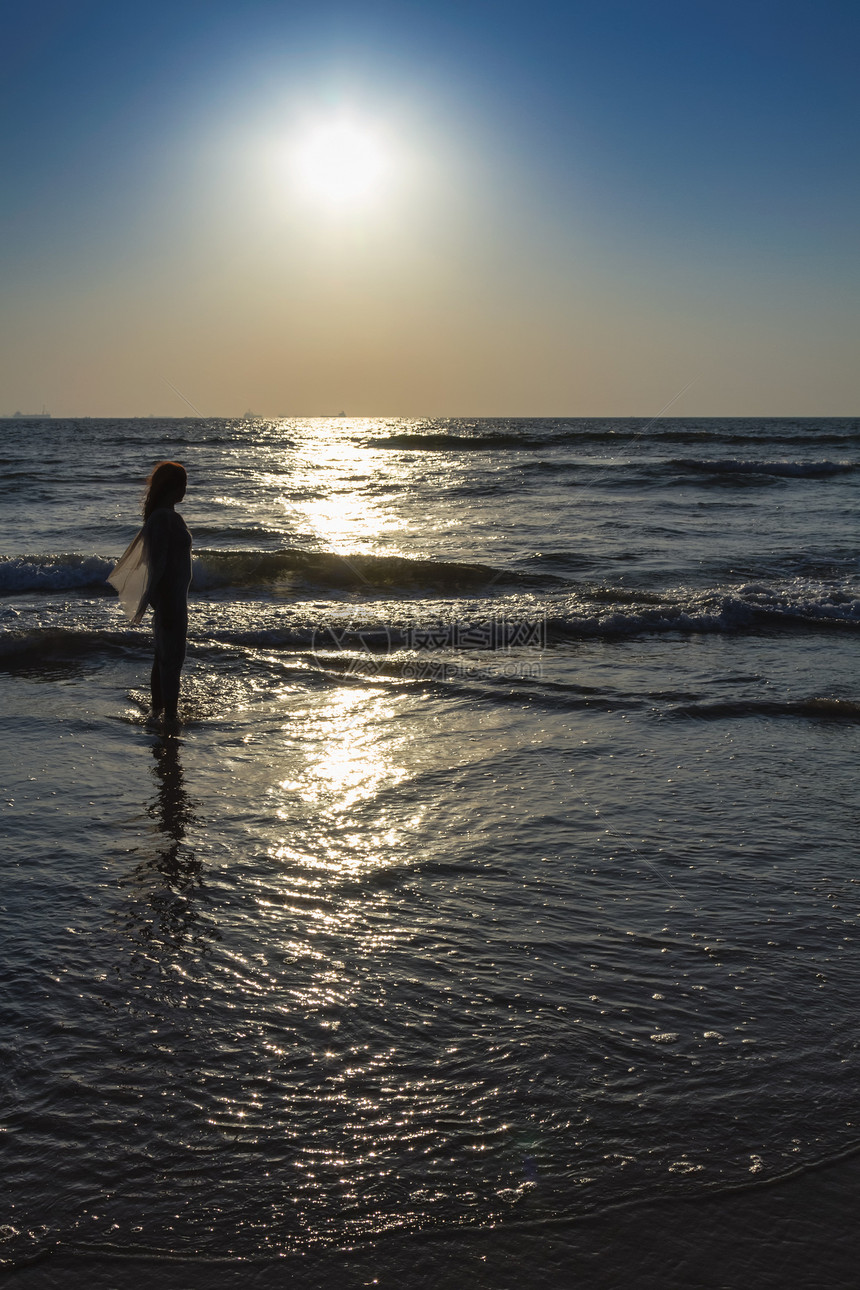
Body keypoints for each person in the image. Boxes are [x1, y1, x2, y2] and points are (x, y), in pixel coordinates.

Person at [108, 461, 192, 722]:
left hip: (173, 599)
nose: (186, 489)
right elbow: (158, 565)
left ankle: (159, 713)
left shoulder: (163, 517)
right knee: (172, 659)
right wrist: (164, 604)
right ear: (173, 486)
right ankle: (170, 718)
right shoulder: (164, 519)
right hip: (171, 601)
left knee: (163, 657)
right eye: (183, 484)